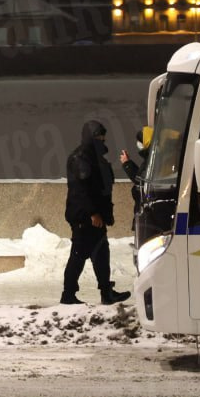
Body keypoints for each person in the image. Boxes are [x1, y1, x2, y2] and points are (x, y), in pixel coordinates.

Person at [61, 120, 130, 306]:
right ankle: (68, 295)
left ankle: (106, 292)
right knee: (79, 254)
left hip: (95, 217)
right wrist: (93, 213)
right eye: (99, 136)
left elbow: (100, 187)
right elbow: (81, 189)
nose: (103, 139)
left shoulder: (94, 158)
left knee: (100, 253)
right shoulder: (81, 158)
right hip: (85, 217)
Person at [119, 129, 146, 242]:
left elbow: (140, 180)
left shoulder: (154, 160)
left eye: (140, 141)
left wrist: (127, 164)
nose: (138, 144)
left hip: (145, 214)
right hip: (143, 212)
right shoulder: (152, 158)